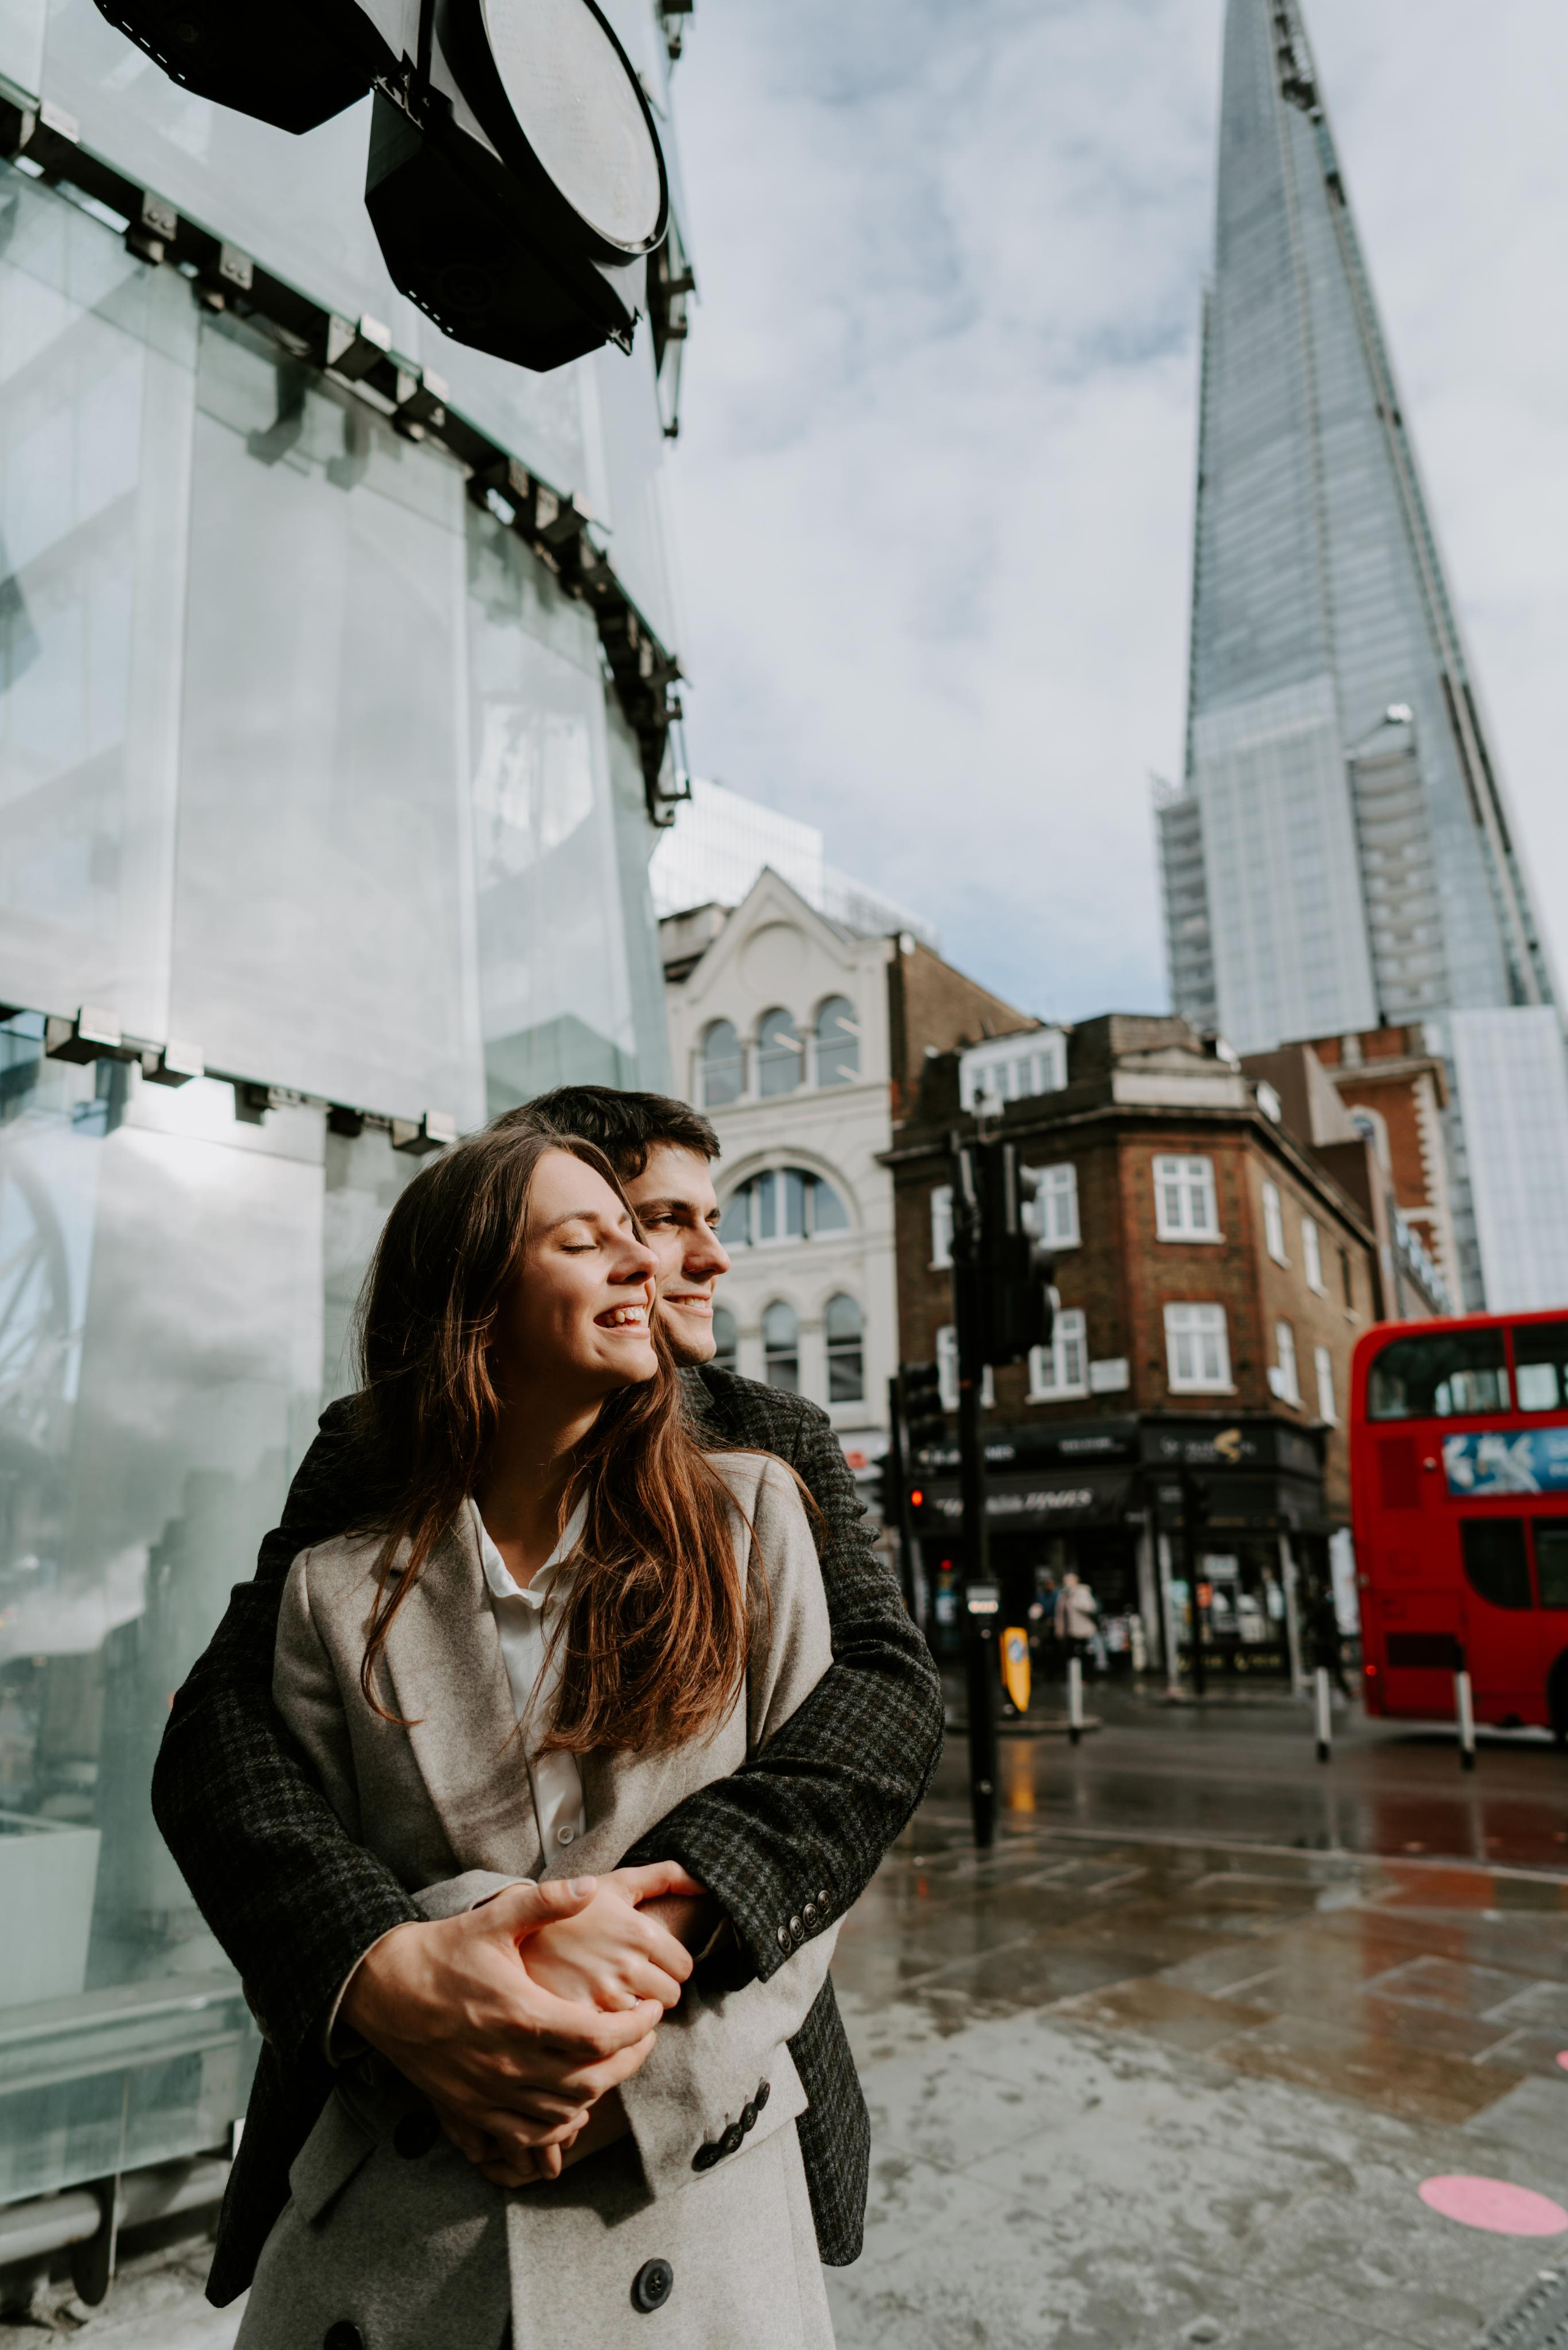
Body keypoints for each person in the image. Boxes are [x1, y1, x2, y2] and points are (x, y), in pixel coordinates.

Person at [152, 1086, 943, 2307]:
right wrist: (386, 1962)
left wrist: (670, 1923)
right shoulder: (372, 1456)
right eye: (654, 1214)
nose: (693, 1251)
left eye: (699, 1219)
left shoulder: (765, 1449)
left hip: (697, 2106)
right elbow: (223, 1736)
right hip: (402, 2176)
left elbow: (884, 1695)